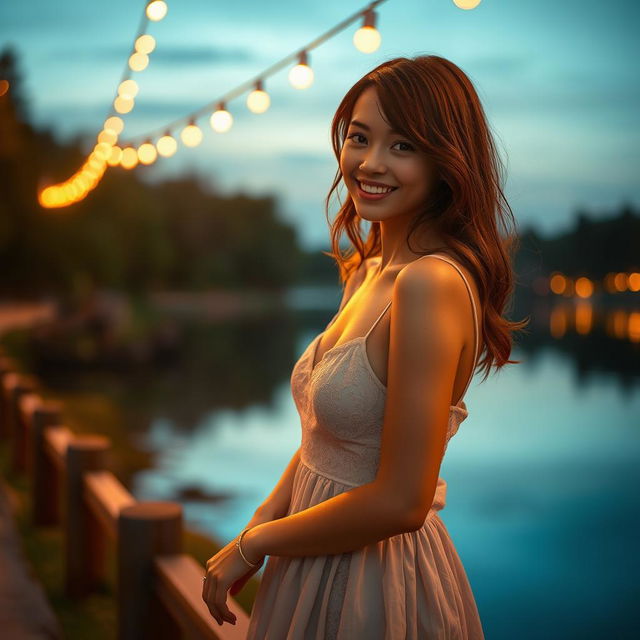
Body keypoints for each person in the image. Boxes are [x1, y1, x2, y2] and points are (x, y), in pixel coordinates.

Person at [202, 54, 529, 639]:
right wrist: (261, 517)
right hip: (309, 551)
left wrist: (256, 545)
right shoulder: (368, 268)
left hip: (375, 579)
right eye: (360, 137)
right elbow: (322, 444)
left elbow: (404, 499)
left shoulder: (430, 283)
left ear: (446, 159)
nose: (370, 163)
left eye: (402, 145)